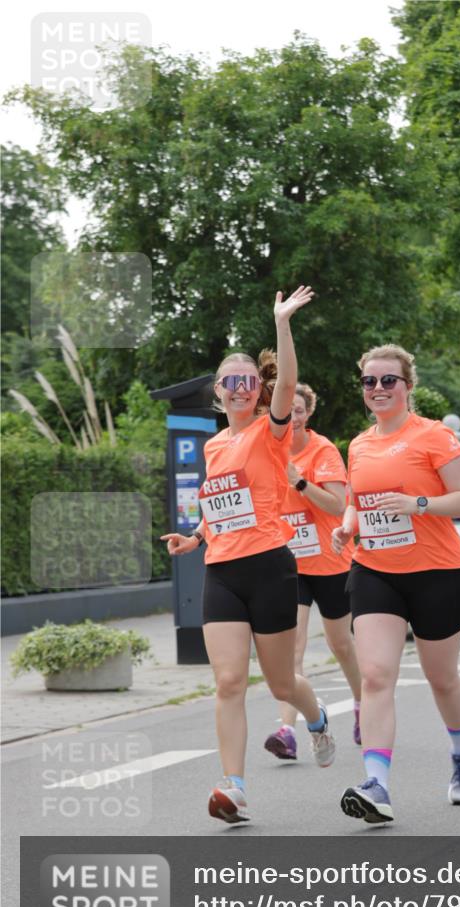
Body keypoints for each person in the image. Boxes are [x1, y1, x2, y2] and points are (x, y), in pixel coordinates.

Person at [161, 286, 335, 825]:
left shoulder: (271, 431)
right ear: (217, 391)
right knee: (230, 681)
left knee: (282, 683)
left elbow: (288, 381)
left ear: (258, 391)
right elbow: (221, 505)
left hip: (270, 567)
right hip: (222, 570)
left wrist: (282, 323)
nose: (239, 389)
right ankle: (233, 786)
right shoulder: (213, 446)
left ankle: (316, 717)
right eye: (229, 383)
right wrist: (195, 537)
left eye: (247, 382)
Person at [331, 344, 460, 824]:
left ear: (407, 386)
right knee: (375, 675)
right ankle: (377, 784)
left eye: (388, 380)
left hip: (438, 571)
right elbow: (358, 499)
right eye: (369, 381)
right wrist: (347, 524)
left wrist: (417, 504)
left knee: (442, 678)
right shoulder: (357, 444)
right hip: (375, 569)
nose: (377, 389)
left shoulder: (434, 437)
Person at [263, 383, 362, 760]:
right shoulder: (269, 450)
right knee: (294, 646)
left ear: (307, 413)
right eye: (287, 409)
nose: (293, 416)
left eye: (299, 409)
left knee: (340, 644)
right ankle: (287, 730)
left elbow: (339, 506)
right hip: (291, 564)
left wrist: (300, 481)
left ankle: (360, 705)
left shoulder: (323, 452)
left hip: (331, 562)